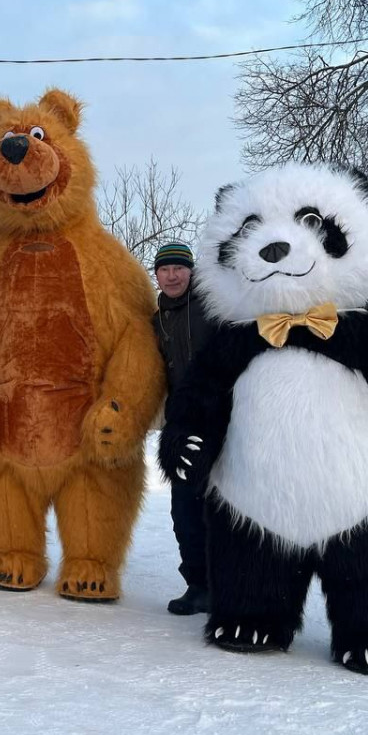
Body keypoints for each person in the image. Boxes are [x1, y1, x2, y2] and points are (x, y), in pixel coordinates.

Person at [151, 241, 213, 615]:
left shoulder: (212, 306)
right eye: (164, 269)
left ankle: (232, 585)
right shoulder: (156, 317)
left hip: (221, 419)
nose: (172, 276)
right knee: (184, 510)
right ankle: (198, 585)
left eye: (179, 268)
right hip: (181, 424)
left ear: (191, 271)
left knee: (222, 508)